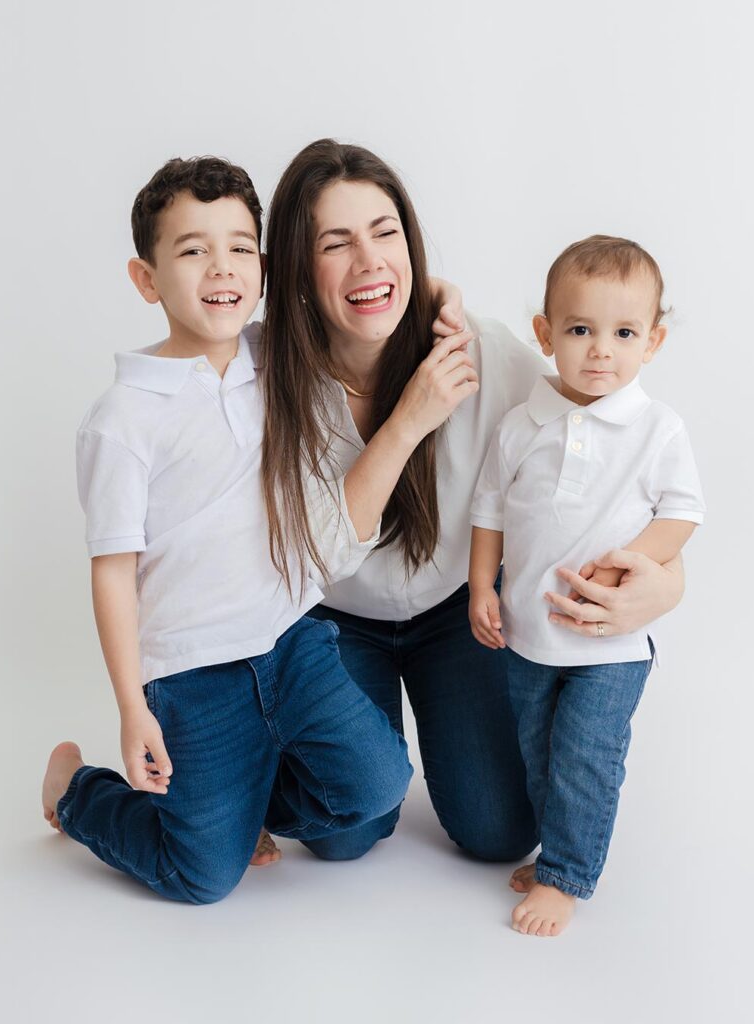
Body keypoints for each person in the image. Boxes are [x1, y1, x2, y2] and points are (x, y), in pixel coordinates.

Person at [41, 156, 469, 903]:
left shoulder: (273, 355)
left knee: (379, 785)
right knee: (203, 876)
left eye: (240, 247)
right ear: (146, 279)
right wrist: (132, 706)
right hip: (192, 673)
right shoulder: (121, 421)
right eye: (193, 250)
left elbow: (358, 299)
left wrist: (439, 293)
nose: (221, 267)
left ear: (266, 271)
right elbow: (112, 571)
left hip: (289, 641)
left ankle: (246, 804)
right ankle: (76, 792)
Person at [261, 140, 691, 867]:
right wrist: (410, 418)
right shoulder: (266, 379)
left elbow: (619, 466)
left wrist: (666, 581)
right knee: (342, 836)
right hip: (332, 617)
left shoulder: (485, 351)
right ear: (299, 267)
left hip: (459, 611)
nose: (369, 261)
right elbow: (318, 551)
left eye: (385, 233)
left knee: (500, 832)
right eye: (336, 244)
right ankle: (242, 776)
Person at [468, 235, 705, 936]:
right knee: (540, 750)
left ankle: (567, 876)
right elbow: (489, 512)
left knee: (584, 758)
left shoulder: (657, 429)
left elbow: (682, 514)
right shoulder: (520, 426)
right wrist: (481, 587)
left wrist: (627, 562)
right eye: (580, 330)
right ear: (545, 335)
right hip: (529, 634)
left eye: (624, 333)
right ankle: (555, 853)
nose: (601, 351)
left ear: (652, 341)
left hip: (609, 644)